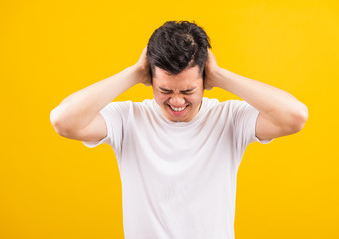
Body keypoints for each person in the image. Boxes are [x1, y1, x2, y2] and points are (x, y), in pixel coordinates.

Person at [50, 20, 308, 239]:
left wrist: (220, 75)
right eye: (165, 90)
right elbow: (63, 121)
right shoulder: (127, 119)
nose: (176, 101)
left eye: (187, 91)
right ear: (150, 80)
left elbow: (295, 116)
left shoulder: (229, 117)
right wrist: (135, 72)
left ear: (204, 81)